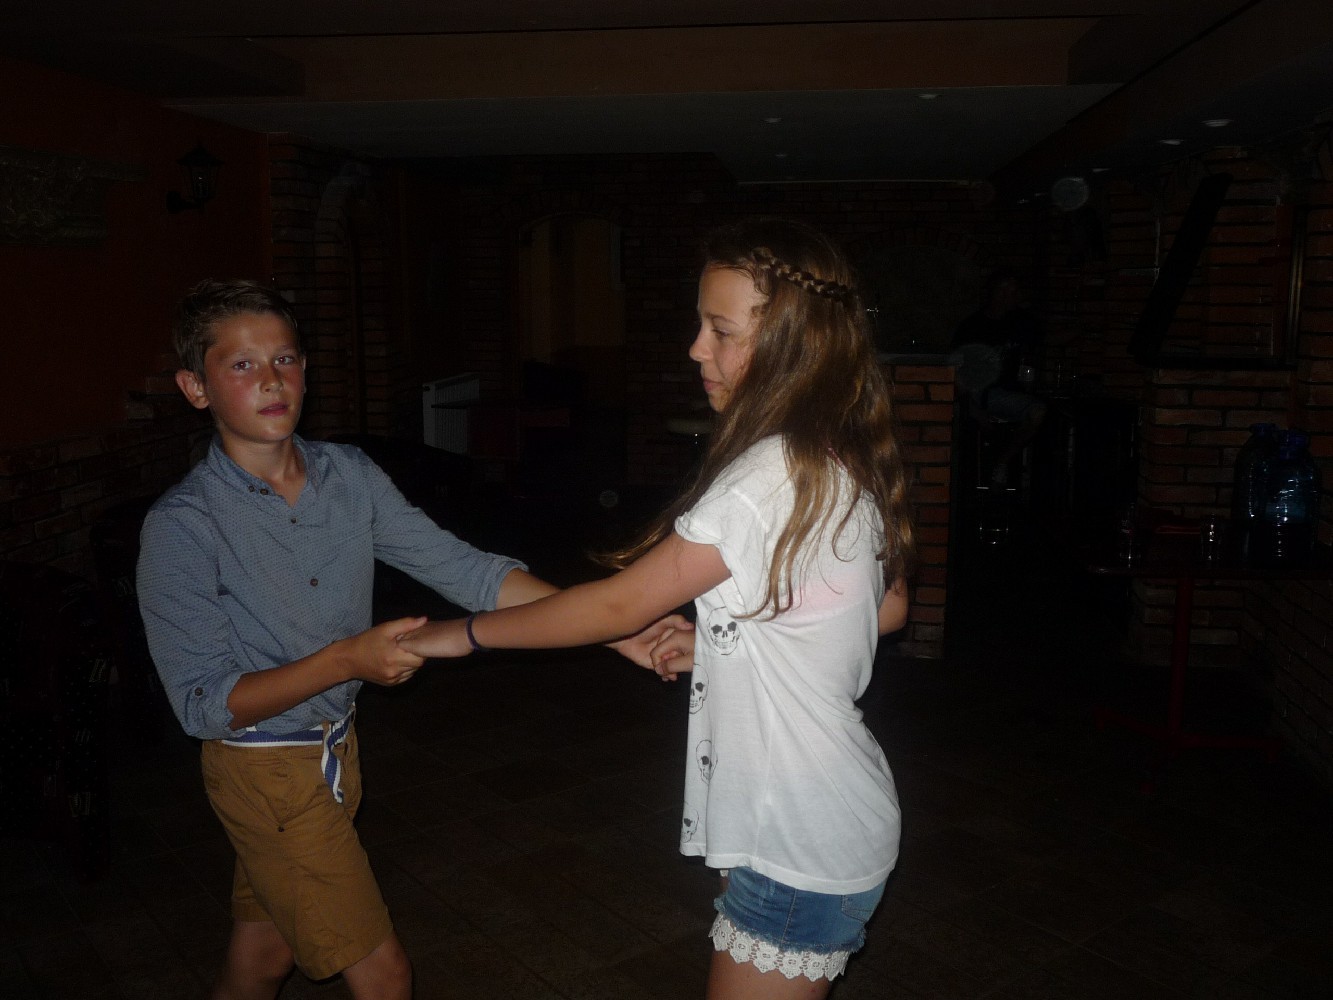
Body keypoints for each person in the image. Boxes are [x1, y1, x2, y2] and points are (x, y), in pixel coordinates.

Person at [399, 219, 915, 999]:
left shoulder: (767, 477)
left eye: (720, 330)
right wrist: (727, 641)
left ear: (792, 344)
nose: (695, 349)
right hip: (822, 814)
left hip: (796, 836)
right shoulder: (833, 452)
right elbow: (884, 607)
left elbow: (616, 605)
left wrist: (457, 636)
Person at [136, 279, 673, 1000]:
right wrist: (345, 660)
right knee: (384, 975)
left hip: (334, 749)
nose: (272, 380)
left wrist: (614, 627)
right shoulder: (183, 526)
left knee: (262, 954)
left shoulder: (348, 476)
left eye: (285, 359)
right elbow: (204, 705)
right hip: (263, 771)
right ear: (195, 388)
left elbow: (468, 571)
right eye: (242, 364)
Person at [950, 269, 1046, 486]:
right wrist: (974, 409)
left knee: (1038, 411)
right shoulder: (972, 327)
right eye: (1005, 291)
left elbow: (1044, 340)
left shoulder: (1021, 322)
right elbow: (957, 374)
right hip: (977, 394)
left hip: (1006, 394)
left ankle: (1002, 462)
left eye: (1014, 291)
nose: (1010, 296)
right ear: (993, 293)